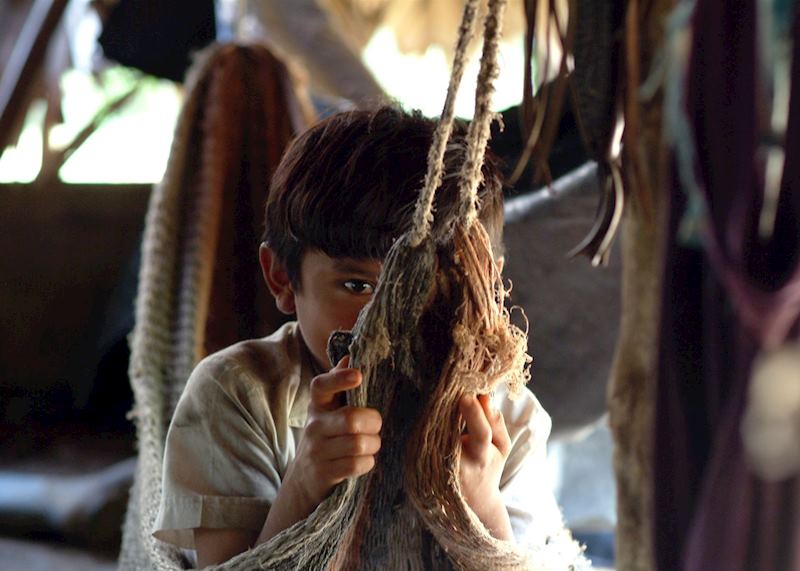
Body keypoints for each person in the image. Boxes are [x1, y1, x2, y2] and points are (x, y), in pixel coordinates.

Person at [152, 105, 567, 567]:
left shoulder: (506, 421)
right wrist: (303, 487)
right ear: (282, 279)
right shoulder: (238, 396)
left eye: (439, 289)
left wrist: (481, 506)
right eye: (358, 286)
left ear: (486, 287)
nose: (400, 318)